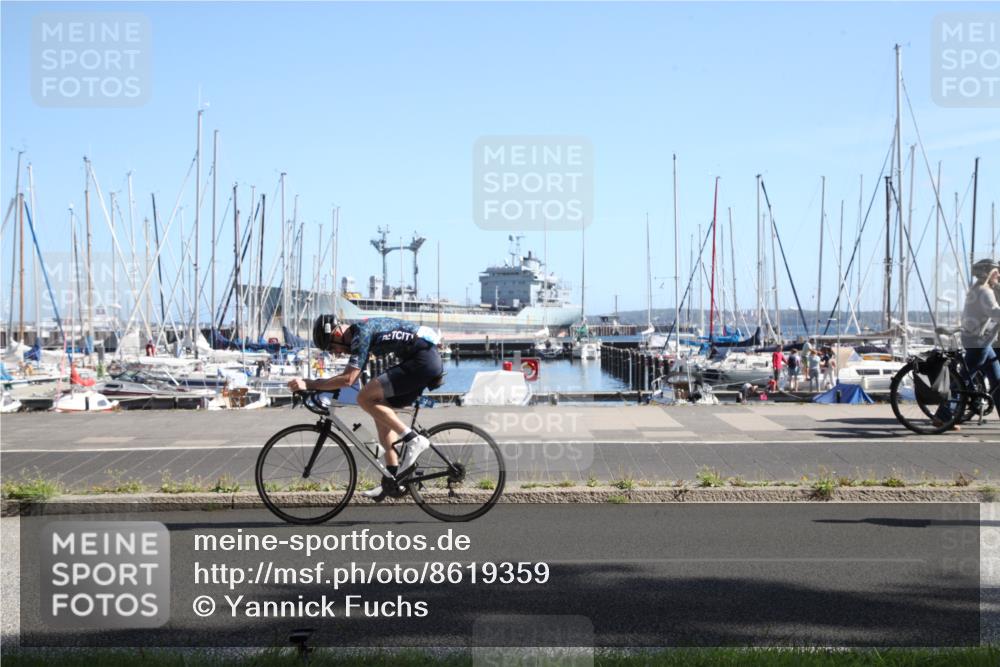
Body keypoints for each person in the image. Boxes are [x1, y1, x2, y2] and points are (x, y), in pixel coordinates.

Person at [288, 315, 443, 501]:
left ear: (337, 333)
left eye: (331, 346)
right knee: (378, 407)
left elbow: (348, 379)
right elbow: (350, 377)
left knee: (364, 398)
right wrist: (318, 385)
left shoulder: (360, 334)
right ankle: (393, 479)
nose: (335, 353)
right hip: (421, 360)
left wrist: (310, 384)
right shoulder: (359, 334)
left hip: (421, 361)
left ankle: (412, 439)